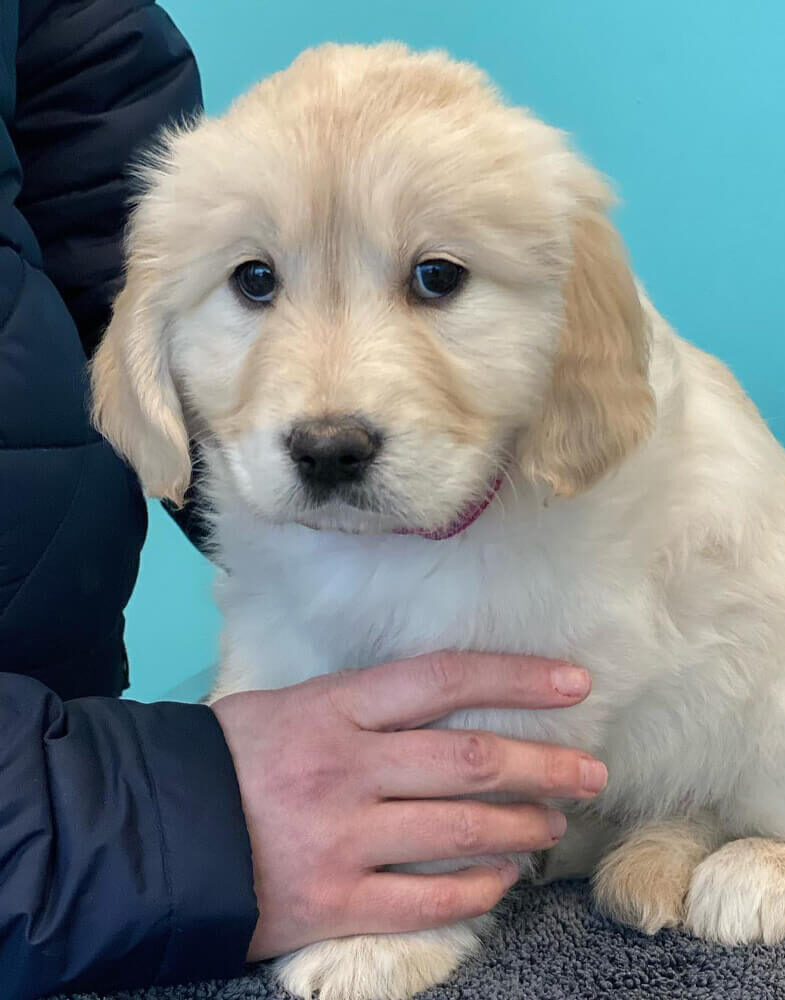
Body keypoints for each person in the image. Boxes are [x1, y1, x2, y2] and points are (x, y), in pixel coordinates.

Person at [0, 4, 607, 998]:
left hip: (67, 755)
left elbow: (86, 190)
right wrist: (168, 819)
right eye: (256, 280)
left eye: (433, 278)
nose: (329, 411)